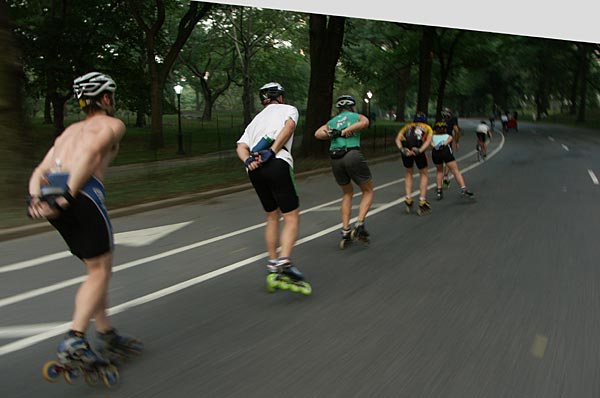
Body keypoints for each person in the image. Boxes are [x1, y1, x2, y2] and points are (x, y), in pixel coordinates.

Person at [27, 72, 141, 374]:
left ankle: (105, 331)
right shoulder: (112, 124)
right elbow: (91, 155)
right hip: (82, 195)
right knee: (100, 270)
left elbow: (41, 169)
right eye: (112, 96)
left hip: (52, 194)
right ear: (105, 98)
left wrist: (35, 199)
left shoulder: (68, 132)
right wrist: (68, 195)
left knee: (96, 269)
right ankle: (75, 338)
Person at [236, 82, 309, 291]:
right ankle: (284, 262)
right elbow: (289, 127)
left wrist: (247, 161)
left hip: (255, 170)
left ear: (264, 100)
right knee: (291, 215)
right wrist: (273, 150)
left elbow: (241, 146)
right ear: (281, 97)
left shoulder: (256, 120)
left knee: (271, 216)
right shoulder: (289, 109)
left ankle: (272, 264)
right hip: (277, 162)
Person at [314, 95, 373, 246]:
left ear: (339, 108)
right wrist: (347, 130)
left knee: (347, 193)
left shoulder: (332, 122)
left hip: (336, 158)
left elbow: (318, 133)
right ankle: (359, 223)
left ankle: (346, 230)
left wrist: (334, 132)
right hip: (352, 154)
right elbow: (365, 122)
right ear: (352, 106)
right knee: (368, 190)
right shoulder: (356, 116)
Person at [395, 112, 433, 215]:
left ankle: (408, 199)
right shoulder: (427, 128)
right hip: (418, 150)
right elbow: (428, 141)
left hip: (406, 150)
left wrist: (402, 149)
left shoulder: (407, 127)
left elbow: (398, 138)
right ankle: (422, 201)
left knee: (408, 173)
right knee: (424, 174)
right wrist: (420, 150)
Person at [431, 121, 474, 200]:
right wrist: (443, 144)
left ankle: (439, 190)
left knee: (439, 171)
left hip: (435, 153)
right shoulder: (448, 135)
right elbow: (449, 140)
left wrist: (436, 146)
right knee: (455, 171)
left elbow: (431, 144)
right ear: (445, 129)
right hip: (445, 151)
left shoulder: (432, 137)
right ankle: (463, 188)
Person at [440, 107, 461, 188]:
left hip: (439, 139)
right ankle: (445, 176)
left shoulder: (441, 120)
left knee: (439, 160)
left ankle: (439, 184)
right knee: (448, 159)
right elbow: (456, 130)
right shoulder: (453, 119)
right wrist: (457, 141)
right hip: (448, 139)